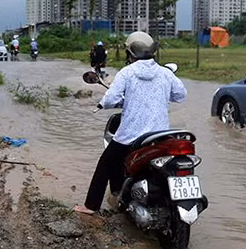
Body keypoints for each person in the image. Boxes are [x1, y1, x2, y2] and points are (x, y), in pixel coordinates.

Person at [74, 32, 186, 215]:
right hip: (160, 137)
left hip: (130, 136)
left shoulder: (126, 73)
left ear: (130, 53)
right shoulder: (165, 73)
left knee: (105, 164)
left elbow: (111, 99)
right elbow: (180, 95)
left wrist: (107, 103)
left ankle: (90, 206)